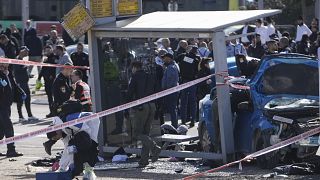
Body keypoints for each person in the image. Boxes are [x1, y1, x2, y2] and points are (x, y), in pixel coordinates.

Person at [46, 108, 99, 178]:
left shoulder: (70, 124)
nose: (58, 139)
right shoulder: (60, 129)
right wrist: (62, 167)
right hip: (80, 128)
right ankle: (83, 169)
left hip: (91, 121)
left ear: (57, 132)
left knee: (92, 146)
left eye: (56, 138)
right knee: (73, 148)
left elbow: (86, 134)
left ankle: (89, 171)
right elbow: (67, 148)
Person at [126, 61, 161, 167]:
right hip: (152, 106)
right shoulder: (150, 76)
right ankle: (144, 160)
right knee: (146, 134)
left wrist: (126, 106)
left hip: (141, 107)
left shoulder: (135, 76)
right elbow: (158, 90)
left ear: (135, 68)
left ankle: (154, 147)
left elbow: (130, 92)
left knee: (137, 133)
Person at [0, 62, 25, 157]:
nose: (4, 68)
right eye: (2, 66)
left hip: (7, 106)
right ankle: (11, 150)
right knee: (8, 128)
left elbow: (14, 85)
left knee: (1, 130)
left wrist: (21, 92)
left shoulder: (8, 74)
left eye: (6, 66)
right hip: (1, 107)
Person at [177, 46, 200, 127]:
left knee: (184, 102)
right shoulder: (197, 59)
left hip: (184, 82)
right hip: (192, 82)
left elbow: (176, 60)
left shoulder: (183, 56)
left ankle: (183, 120)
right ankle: (192, 120)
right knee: (192, 102)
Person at [13, 46, 38, 122]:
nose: (27, 52)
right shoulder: (17, 60)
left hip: (25, 82)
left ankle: (30, 115)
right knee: (20, 100)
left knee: (27, 99)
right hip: (20, 83)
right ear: (22, 51)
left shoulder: (22, 59)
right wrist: (25, 67)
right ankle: (20, 116)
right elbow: (17, 70)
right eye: (26, 51)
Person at [38, 45, 57, 117]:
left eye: (49, 50)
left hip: (53, 81)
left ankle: (56, 111)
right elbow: (43, 69)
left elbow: (55, 69)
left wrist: (52, 75)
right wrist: (39, 77)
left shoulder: (54, 58)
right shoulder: (45, 59)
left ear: (52, 50)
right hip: (46, 81)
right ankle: (51, 111)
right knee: (49, 97)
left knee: (55, 97)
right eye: (46, 50)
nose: (48, 51)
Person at [162, 53, 179, 128]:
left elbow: (170, 80)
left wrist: (166, 89)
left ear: (169, 59)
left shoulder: (170, 67)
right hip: (173, 90)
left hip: (171, 91)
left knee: (172, 109)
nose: (163, 60)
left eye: (165, 58)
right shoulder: (173, 66)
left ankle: (174, 125)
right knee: (173, 108)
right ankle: (175, 124)